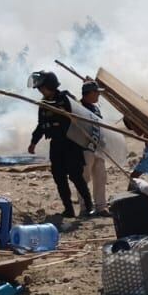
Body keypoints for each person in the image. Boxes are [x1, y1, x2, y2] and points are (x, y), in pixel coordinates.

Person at [26, 70, 95, 218]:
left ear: (50, 85)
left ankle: (89, 206)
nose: (40, 91)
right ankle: (68, 209)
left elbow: (81, 114)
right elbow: (41, 125)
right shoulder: (44, 104)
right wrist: (33, 142)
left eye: (42, 88)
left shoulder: (65, 98)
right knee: (59, 178)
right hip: (56, 145)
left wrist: (65, 111)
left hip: (71, 144)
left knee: (76, 176)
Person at [77, 80, 110, 215]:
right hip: (84, 148)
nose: (98, 95)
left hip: (98, 148)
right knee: (84, 179)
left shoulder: (95, 108)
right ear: (89, 93)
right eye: (96, 92)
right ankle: (85, 208)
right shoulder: (78, 108)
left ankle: (101, 207)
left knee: (100, 177)